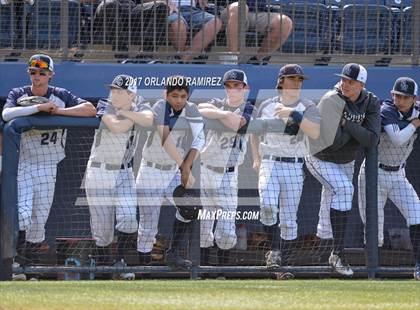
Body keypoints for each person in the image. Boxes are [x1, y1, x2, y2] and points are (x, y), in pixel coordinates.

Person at [2, 54, 96, 281]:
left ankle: (30, 268)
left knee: (39, 221)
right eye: (33, 72)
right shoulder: (19, 93)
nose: (37, 76)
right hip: (23, 164)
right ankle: (13, 264)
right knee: (22, 216)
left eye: (42, 73)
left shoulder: (61, 95)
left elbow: (90, 110)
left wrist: (57, 112)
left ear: (51, 75)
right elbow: (6, 114)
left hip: (49, 166)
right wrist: (36, 109)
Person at [305, 63, 380, 277]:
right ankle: (337, 253)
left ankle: (324, 260)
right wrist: (360, 128)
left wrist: (348, 125)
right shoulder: (331, 99)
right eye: (344, 79)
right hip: (319, 156)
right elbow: (332, 142)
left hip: (346, 161)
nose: (345, 84)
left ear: (361, 85)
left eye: (351, 81)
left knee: (332, 201)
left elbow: (373, 140)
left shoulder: (371, 101)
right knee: (345, 190)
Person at [250, 64, 320, 274]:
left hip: (293, 164)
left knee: (289, 218)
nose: (297, 83)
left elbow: (315, 132)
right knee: (268, 206)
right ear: (281, 81)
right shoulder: (267, 105)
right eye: (292, 79)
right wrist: (255, 158)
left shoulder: (307, 106)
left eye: (300, 80)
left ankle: (284, 263)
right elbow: (254, 131)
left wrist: (293, 113)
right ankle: (274, 251)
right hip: (270, 160)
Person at [85, 74, 153, 280]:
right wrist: (131, 114)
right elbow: (116, 126)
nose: (114, 94)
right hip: (99, 170)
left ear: (131, 94)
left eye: (119, 91)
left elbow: (149, 119)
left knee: (129, 218)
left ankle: (120, 262)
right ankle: (104, 268)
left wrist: (127, 112)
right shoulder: (105, 102)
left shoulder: (141, 103)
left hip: (124, 171)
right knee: (102, 231)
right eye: (113, 89)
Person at [136, 75, 205, 269]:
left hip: (174, 170)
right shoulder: (160, 106)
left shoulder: (191, 109)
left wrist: (187, 165)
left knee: (189, 208)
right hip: (151, 169)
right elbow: (165, 138)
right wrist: (185, 168)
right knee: (148, 226)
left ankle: (173, 253)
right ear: (165, 94)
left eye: (183, 96)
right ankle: (144, 268)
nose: (179, 100)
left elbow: (200, 138)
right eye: (174, 95)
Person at [358, 77, 420, 281]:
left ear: (414, 98)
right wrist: (415, 124)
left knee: (417, 214)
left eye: (405, 97)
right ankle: (373, 273)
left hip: (398, 175)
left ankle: (418, 267)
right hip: (374, 174)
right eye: (397, 95)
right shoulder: (387, 109)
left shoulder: (417, 109)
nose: (400, 100)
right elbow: (397, 138)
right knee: (374, 227)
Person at [197, 69, 254, 273]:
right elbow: (199, 108)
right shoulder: (217, 102)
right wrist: (224, 113)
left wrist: (225, 116)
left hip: (229, 175)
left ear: (245, 88)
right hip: (206, 171)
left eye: (237, 86)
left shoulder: (249, 107)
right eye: (229, 86)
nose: (233, 90)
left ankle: (222, 271)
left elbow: (237, 123)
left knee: (226, 228)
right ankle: (202, 270)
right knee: (204, 226)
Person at [219, 0, 292, 64]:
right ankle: (232, 57)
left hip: (257, 12)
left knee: (284, 22)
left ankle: (257, 60)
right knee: (240, 7)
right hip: (231, 10)